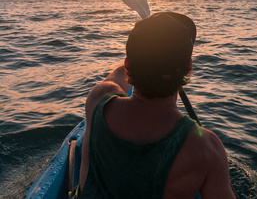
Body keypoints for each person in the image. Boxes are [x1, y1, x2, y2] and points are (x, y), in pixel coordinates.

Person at [78, 12, 236, 198]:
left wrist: (144, 54)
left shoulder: (98, 100)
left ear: (128, 64)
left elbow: (117, 77)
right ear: (189, 67)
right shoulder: (207, 149)